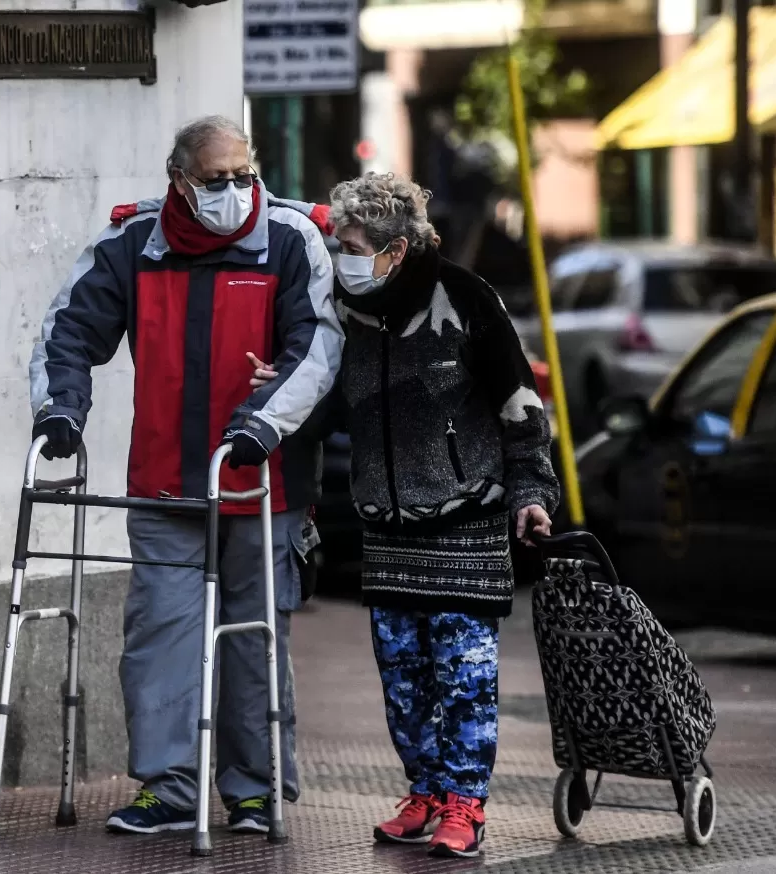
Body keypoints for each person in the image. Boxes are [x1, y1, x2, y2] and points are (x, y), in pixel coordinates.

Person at [28, 116, 343, 835]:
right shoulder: (133, 245)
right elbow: (67, 331)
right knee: (159, 639)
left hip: (264, 484)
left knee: (253, 639)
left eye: (244, 176)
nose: (234, 191)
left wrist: (260, 425)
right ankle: (168, 789)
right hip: (166, 483)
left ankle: (255, 792)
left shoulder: (291, 241)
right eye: (216, 180)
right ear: (179, 179)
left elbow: (317, 349)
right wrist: (60, 411)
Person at [249, 172, 558, 858]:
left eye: (353, 244)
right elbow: (337, 402)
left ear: (395, 248)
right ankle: (424, 792)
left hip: (466, 526)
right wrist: (288, 391)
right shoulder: (349, 309)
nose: (341, 255)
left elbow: (521, 410)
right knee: (403, 681)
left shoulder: (468, 299)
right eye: (338, 242)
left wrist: (532, 494)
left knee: (465, 680)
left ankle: (465, 805)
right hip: (386, 529)